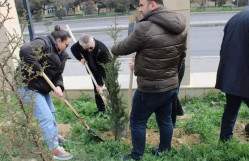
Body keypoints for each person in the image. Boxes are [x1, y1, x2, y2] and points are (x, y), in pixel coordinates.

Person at [111, 0, 187, 160]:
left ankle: (136, 155)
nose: (139, 9)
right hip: (170, 84)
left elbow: (122, 48)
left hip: (150, 88)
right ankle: (164, 150)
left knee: (137, 120)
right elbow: (182, 55)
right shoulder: (179, 24)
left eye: (141, 5)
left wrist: (114, 47)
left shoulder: (144, 27)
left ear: (152, 4)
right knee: (165, 118)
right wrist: (172, 74)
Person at [18, 25, 73, 160]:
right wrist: (37, 68)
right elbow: (25, 50)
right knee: (46, 117)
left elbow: (58, 74)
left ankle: (53, 134)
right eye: (66, 44)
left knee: (51, 112)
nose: (67, 48)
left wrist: (59, 86)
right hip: (28, 87)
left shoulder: (61, 54)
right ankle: (54, 150)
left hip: (42, 87)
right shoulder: (44, 43)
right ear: (59, 41)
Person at [215, 8, 249, 142]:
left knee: (231, 107)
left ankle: (225, 138)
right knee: (232, 107)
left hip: (231, 74)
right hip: (245, 76)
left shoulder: (235, 18)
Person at [71, 34, 111, 114]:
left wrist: (101, 84)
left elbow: (105, 69)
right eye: (86, 49)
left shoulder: (102, 50)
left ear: (93, 42)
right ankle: (101, 110)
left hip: (107, 69)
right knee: (97, 91)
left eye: (91, 48)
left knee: (111, 87)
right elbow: (73, 49)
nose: (89, 50)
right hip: (93, 70)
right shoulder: (79, 45)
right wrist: (80, 58)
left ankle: (114, 107)